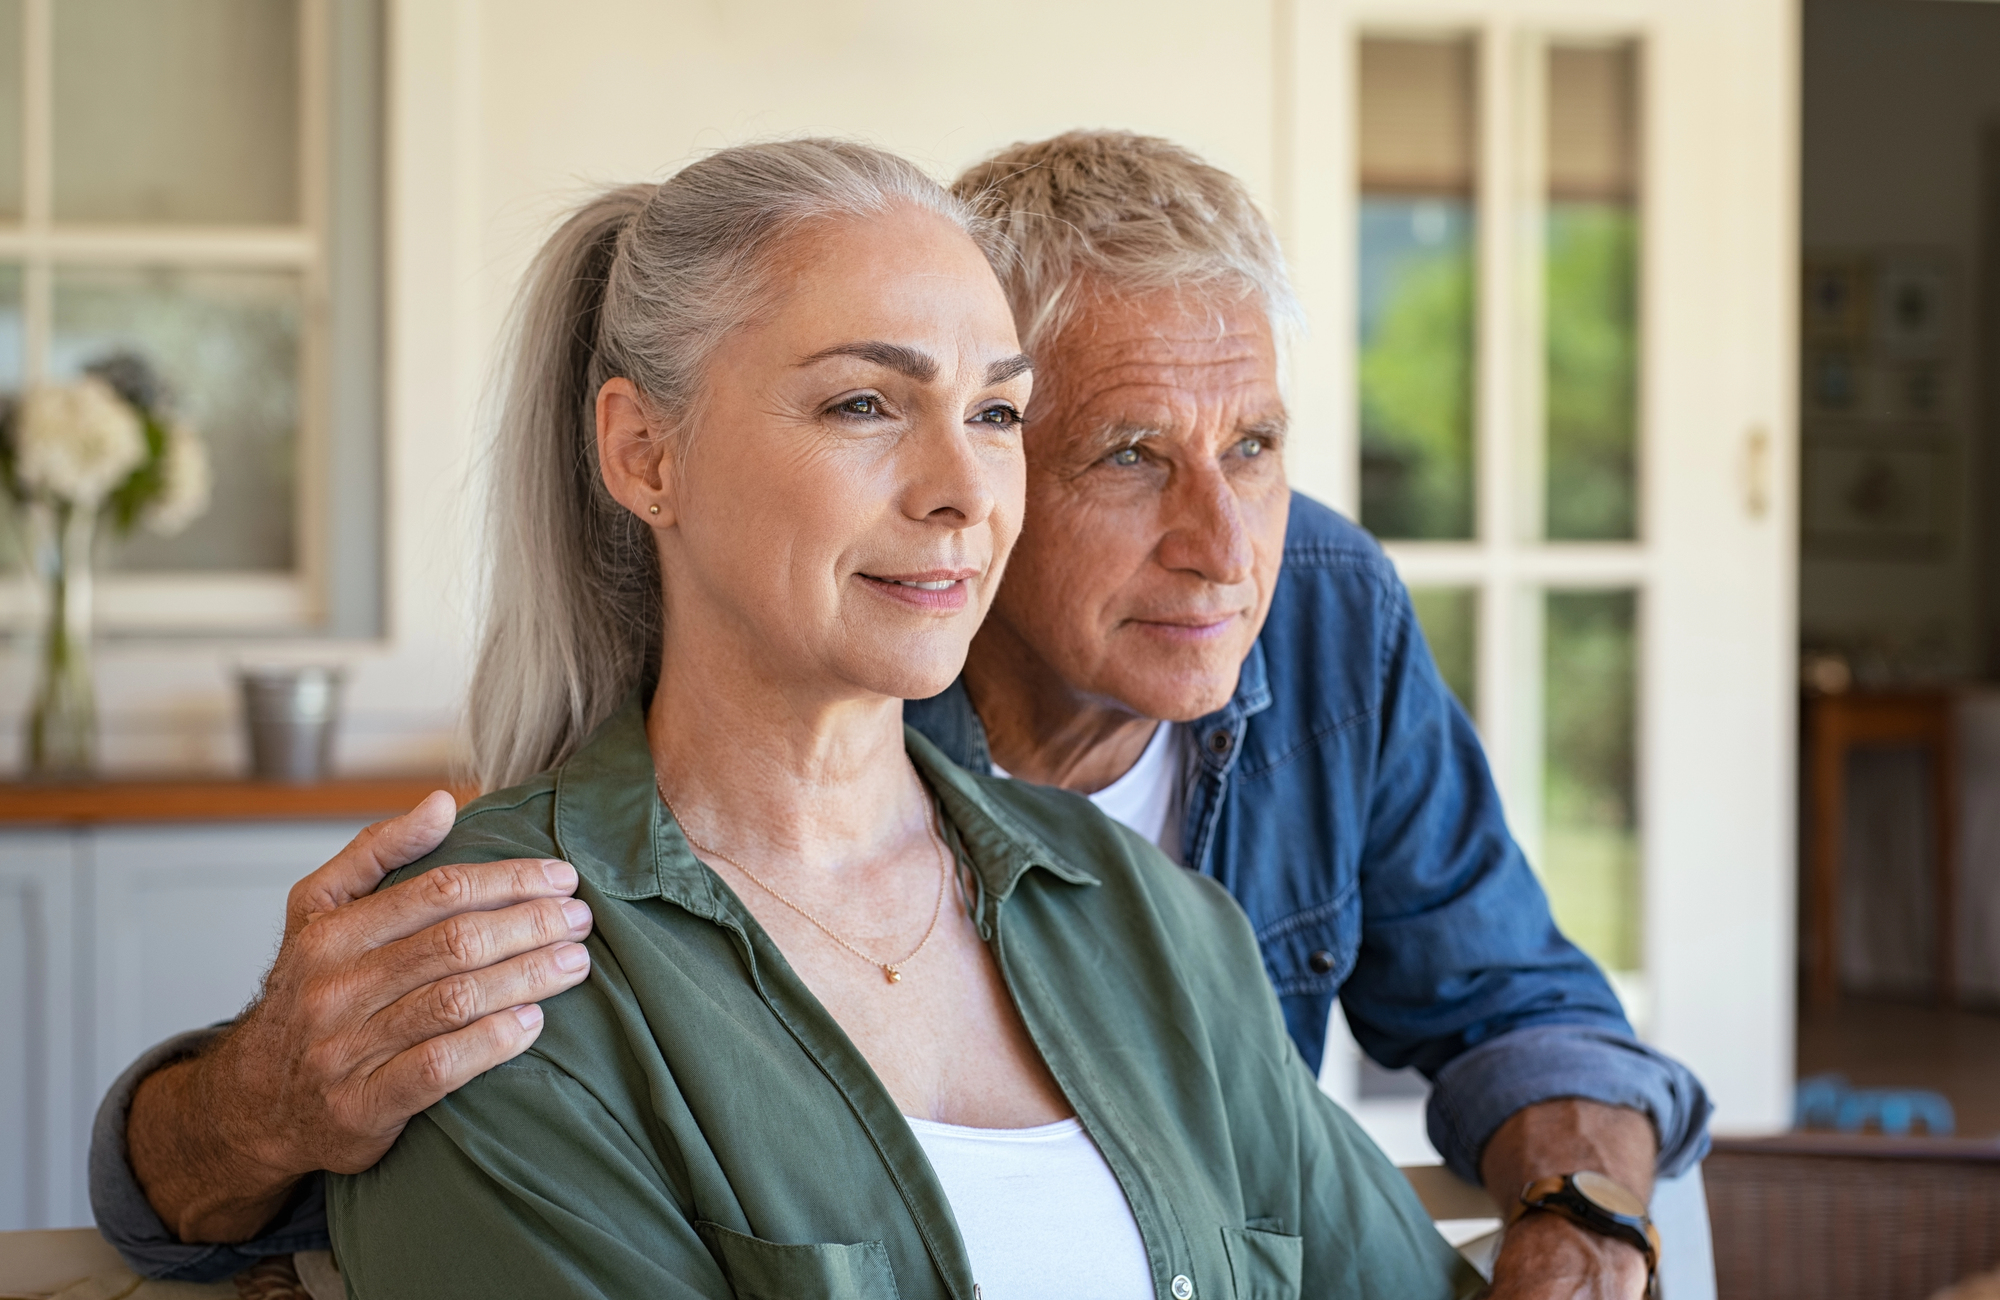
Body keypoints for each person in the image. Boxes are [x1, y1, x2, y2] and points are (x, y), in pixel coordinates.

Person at [92, 132, 1707, 1299]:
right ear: (644, 455)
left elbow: (1511, 1013)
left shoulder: (1176, 885)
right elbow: (276, 1155)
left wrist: (1591, 1224)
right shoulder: (530, 959)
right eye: (871, 403)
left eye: (989, 414)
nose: (1229, 550)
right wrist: (243, 1111)